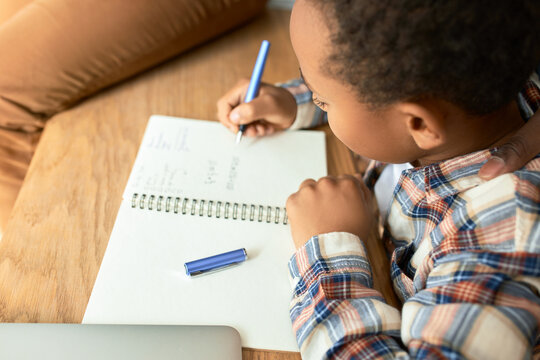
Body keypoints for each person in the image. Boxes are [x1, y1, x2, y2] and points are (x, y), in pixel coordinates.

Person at [217, 0, 540, 358]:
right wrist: (297, 103)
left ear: (419, 125)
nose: (316, 99)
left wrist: (330, 249)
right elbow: (373, 90)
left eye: (322, 100)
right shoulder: (476, 79)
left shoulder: (501, 240)